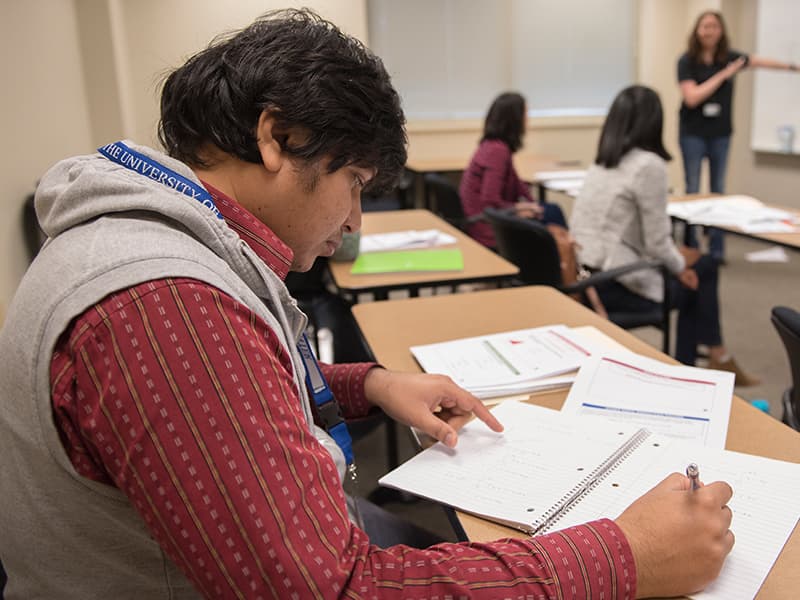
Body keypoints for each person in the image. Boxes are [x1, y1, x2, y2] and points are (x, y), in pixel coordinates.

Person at [0, 10, 735, 599]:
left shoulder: (159, 237)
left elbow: (240, 387)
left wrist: (372, 384)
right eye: (354, 180)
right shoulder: (166, 303)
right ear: (277, 138)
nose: (354, 222)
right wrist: (624, 557)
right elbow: (340, 589)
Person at [571, 85, 759, 386]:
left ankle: (712, 358)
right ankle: (692, 368)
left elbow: (633, 235)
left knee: (692, 266)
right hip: (614, 283)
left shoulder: (603, 161)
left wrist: (676, 259)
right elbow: (658, 243)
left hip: (585, 275)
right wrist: (680, 266)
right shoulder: (649, 165)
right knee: (703, 270)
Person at [677, 10, 799, 261]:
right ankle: (691, 248)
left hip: (720, 133)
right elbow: (692, 98)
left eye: (714, 26)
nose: (710, 31)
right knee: (693, 189)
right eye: (705, 26)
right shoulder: (687, 61)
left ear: (721, 31)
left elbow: (759, 61)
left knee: (719, 191)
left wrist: (792, 67)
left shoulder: (729, 58)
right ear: (697, 30)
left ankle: (717, 250)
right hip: (693, 133)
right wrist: (724, 74)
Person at [459, 92, 568, 249]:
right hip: (486, 224)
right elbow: (490, 200)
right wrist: (519, 208)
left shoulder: (495, 146)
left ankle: (564, 262)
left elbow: (518, 186)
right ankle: (565, 265)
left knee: (549, 210)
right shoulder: (497, 151)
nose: (527, 120)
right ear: (514, 120)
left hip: (487, 217)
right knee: (552, 214)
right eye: (525, 114)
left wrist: (531, 204)